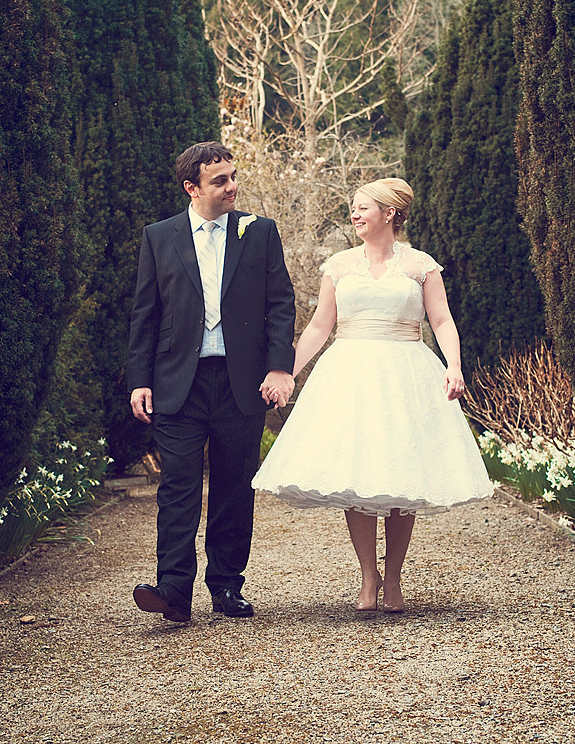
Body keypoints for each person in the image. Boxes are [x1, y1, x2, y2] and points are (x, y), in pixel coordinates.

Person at [252, 178, 492, 612]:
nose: (355, 215)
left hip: (406, 373)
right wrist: (287, 373)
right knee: (356, 473)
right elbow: (320, 326)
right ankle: (368, 576)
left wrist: (454, 366)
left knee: (402, 474)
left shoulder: (421, 265)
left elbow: (441, 321)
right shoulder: (339, 266)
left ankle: (395, 577)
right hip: (349, 375)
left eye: (363, 208)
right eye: (353, 208)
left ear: (389, 214)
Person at [127, 141, 297, 623]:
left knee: (234, 486)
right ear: (191, 188)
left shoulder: (259, 233)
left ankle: (226, 586)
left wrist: (279, 367)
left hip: (241, 383)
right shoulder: (159, 237)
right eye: (220, 181)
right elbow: (146, 313)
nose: (232, 187)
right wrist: (139, 379)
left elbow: (280, 304)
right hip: (177, 383)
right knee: (177, 487)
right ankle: (173, 591)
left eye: (233, 176)